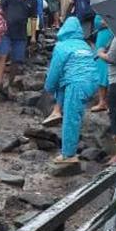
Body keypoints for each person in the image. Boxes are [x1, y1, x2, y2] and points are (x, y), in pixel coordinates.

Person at [43, 17, 99, 168]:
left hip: (77, 83)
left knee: (71, 117)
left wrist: (48, 89)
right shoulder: (85, 45)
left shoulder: (62, 46)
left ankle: (69, 154)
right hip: (92, 81)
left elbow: (54, 71)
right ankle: (57, 110)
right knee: (74, 107)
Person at [0, 0, 39, 97]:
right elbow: (0, 7)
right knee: (2, 56)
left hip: (21, 34)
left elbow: (34, 18)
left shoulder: (33, 0)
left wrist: (34, 36)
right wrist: (1, 19)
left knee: (16, 60)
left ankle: (9, 84)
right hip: (6, 31)